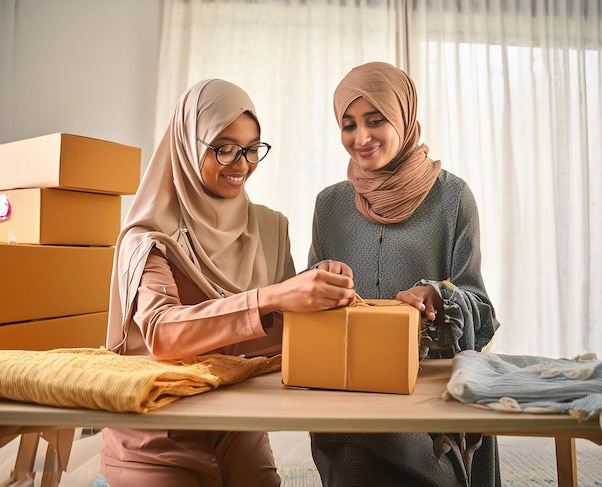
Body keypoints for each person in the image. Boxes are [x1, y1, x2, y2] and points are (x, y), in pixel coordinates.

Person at [100, 79, 355, 487]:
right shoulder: (149, 239)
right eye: (224, 147)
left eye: (253, 148)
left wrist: (319, 291)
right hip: (155, 432)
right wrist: (274, 297)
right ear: (187, 145)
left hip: (238, 423)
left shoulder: (271, 228)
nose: (243, 163)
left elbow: (282, 337)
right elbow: (163, 333)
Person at [308, 62, 501, 487]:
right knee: (350, 437)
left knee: (365, 444)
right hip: (349, 385)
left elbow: (480, 308)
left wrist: (438, 295)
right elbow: (306, 298)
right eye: (348, 124)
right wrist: (319, 279)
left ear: (405, 116)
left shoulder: (452, 197)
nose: (361, 137)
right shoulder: (330, 205)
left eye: (376, 120)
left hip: (427, 393)